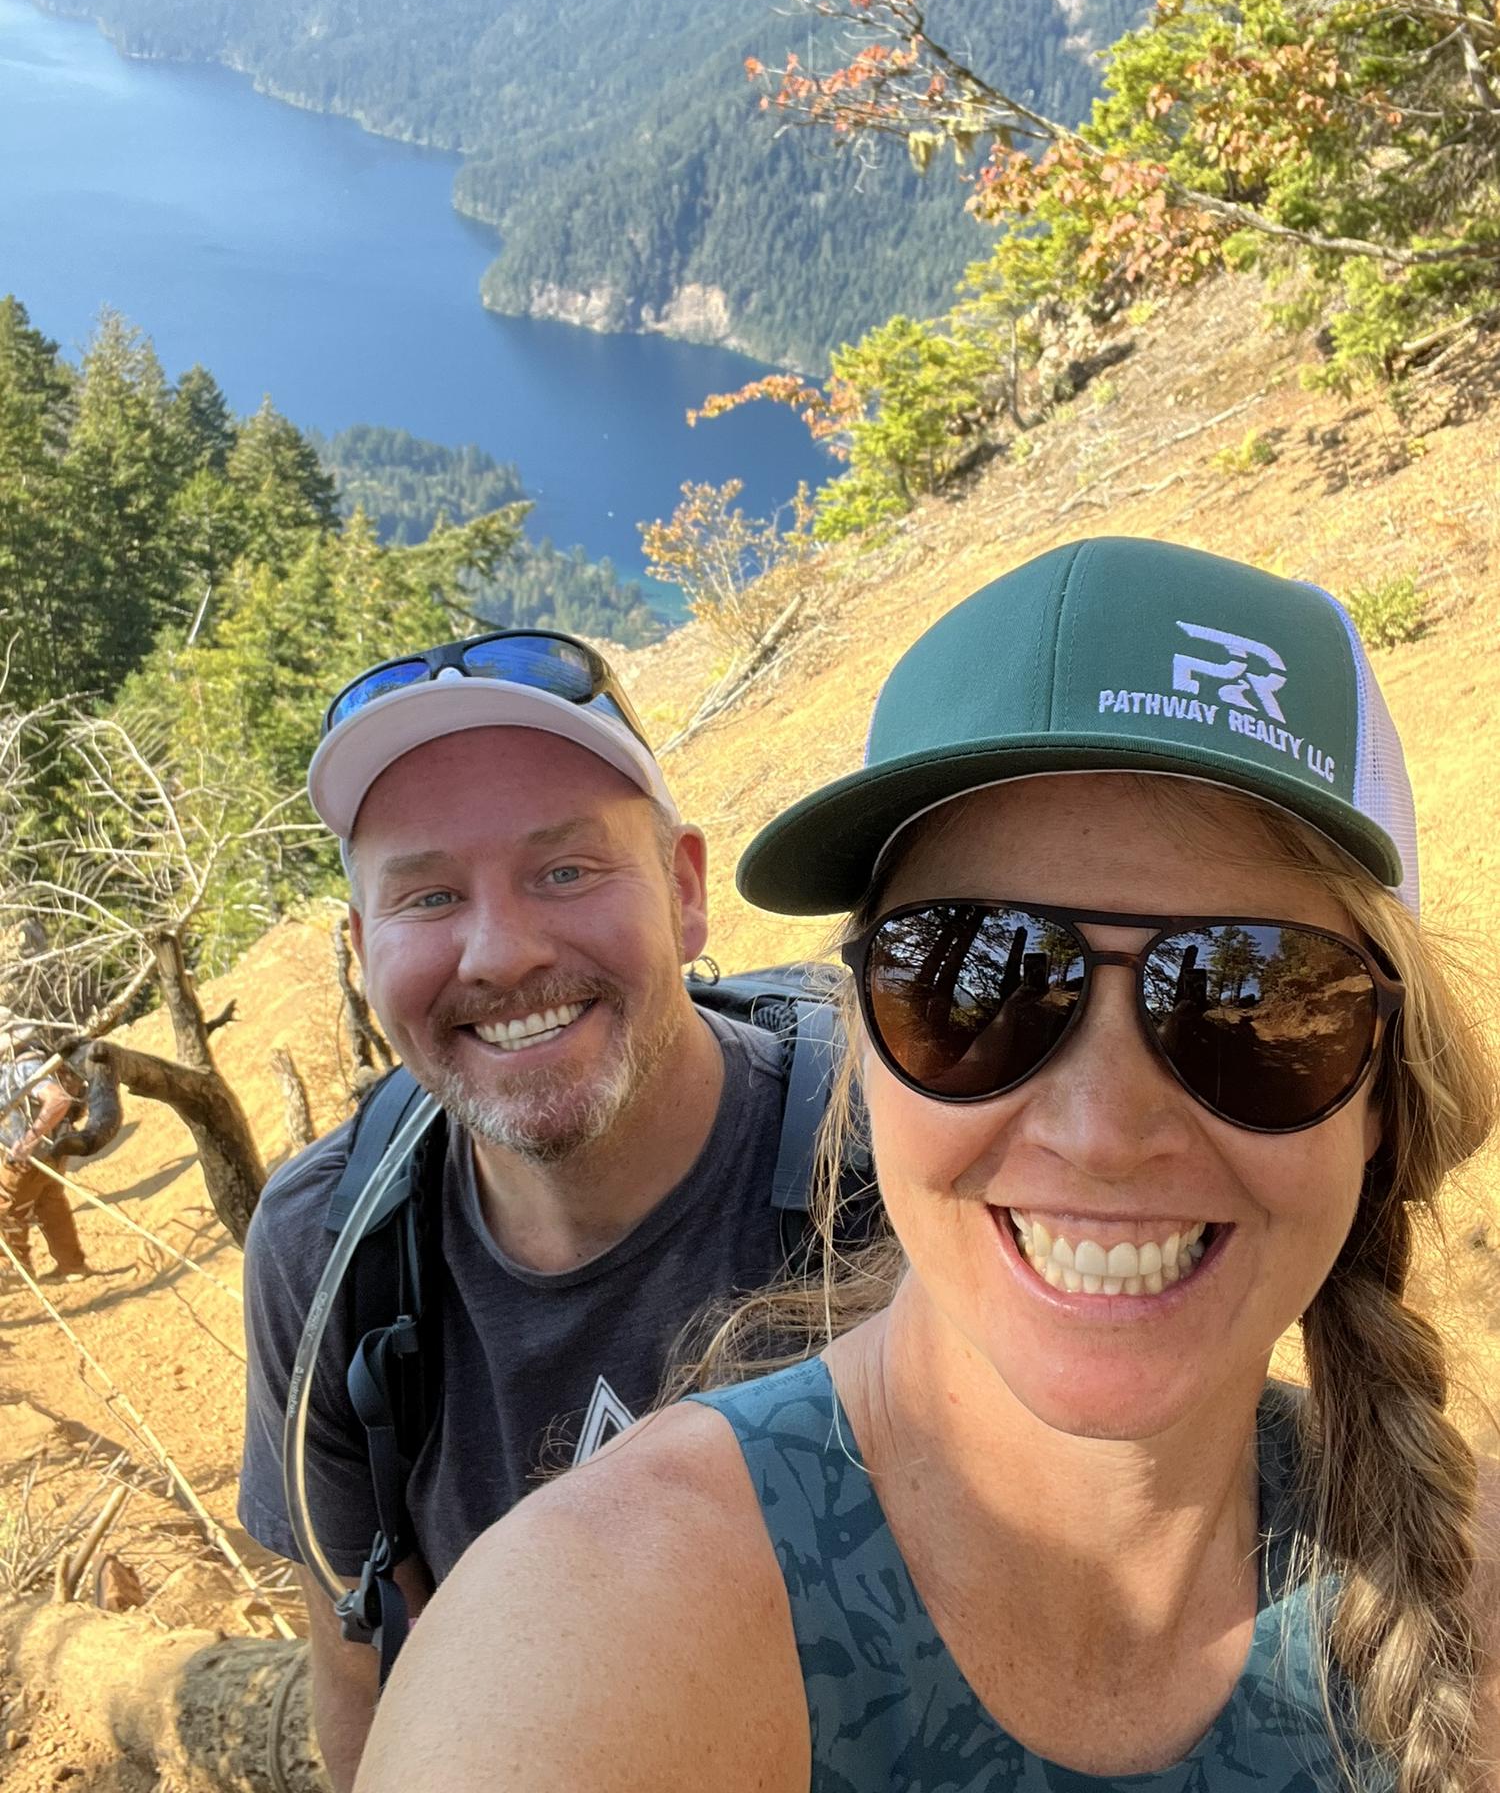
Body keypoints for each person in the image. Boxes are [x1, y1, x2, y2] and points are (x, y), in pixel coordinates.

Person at [358, 538, 1500, 1793]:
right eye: (973, 978)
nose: (1102, 1131)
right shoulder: (584, 1647)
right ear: (861, 1044)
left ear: (1385, 1092)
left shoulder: (1471, 1580)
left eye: (1253, 999)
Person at [238, 630, 827, 1792]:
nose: (501, 954)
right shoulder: (328, 1251)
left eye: (565, 870)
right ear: (361, 951)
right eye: (428, 895)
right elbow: (367, 1676)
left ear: (686, 889)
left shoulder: (892, 1155)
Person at [0, 1030, 115, 1282]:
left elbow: (58, 1099)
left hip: (30, 1156)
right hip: (52, 1150)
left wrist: (28, 1141)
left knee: (5, 1208)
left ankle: (13, 1268)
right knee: (49, 1206)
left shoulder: (23, 1067)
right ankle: (72, 1266)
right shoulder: (31, 1061)